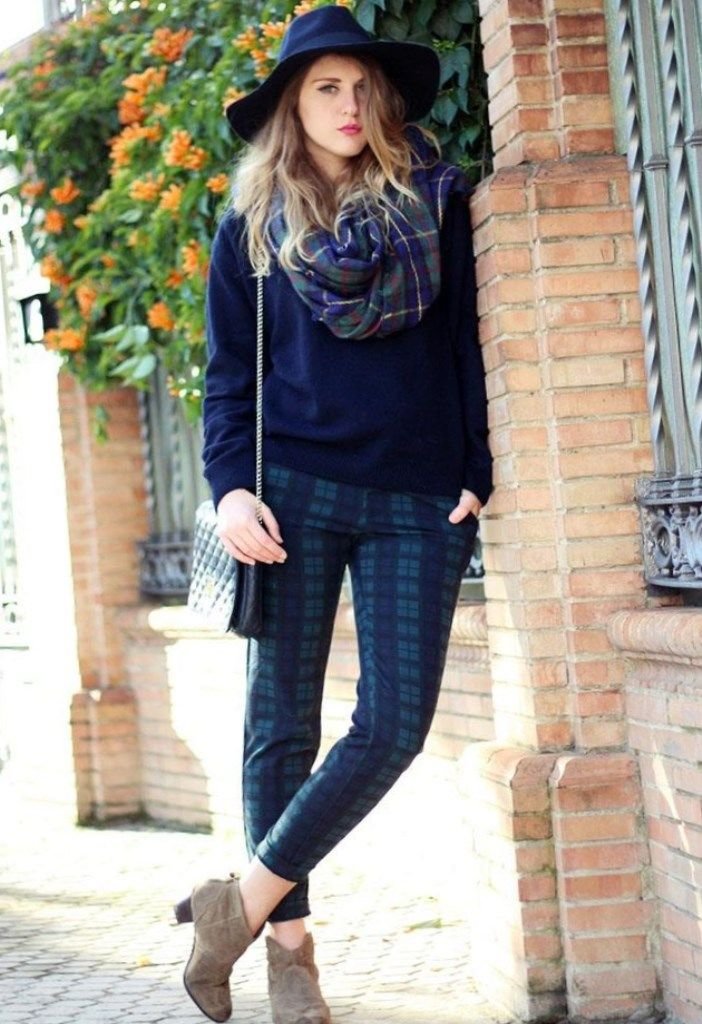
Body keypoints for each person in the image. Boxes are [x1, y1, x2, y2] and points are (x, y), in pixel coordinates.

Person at [175, 5, 493, 1023]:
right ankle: (292, 953)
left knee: (394, 724)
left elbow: (464, 343)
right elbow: (229, 377)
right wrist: (231, 488)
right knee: (281, 722)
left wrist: (474, 467)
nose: (349, 105)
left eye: (362, 86)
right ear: (291, 105)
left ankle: (236, 907)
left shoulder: (434, 200)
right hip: (293, 494)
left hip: (417, 494)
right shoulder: (252, 226)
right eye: (326, 87)